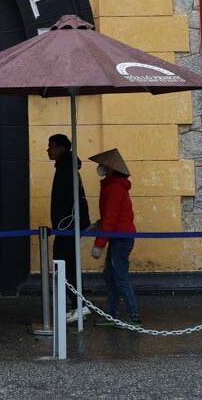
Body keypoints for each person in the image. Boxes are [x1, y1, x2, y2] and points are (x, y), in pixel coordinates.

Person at [89, 148, 140, 326]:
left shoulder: (114, 188)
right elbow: (111, 216)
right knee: (111, 276)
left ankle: (134, 317)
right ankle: (113, 315)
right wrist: (99, 224)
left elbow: (111, 218)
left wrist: (99, 244)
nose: (100, 167)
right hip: (118, 236)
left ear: (110, 168)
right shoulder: (114, 186)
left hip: (120, 237)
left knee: (119, 277)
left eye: (102, 164)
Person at [47, 133, 91, 323]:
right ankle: (76, 305)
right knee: (69, 265)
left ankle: (79, 305)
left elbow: (67, 200)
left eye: (51, 146)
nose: (48, 150)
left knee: (64, 265)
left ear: (61, 148)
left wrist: (63, 224)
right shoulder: (66, 167)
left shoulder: (66, 169)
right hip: (68, 225)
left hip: (67, 226)